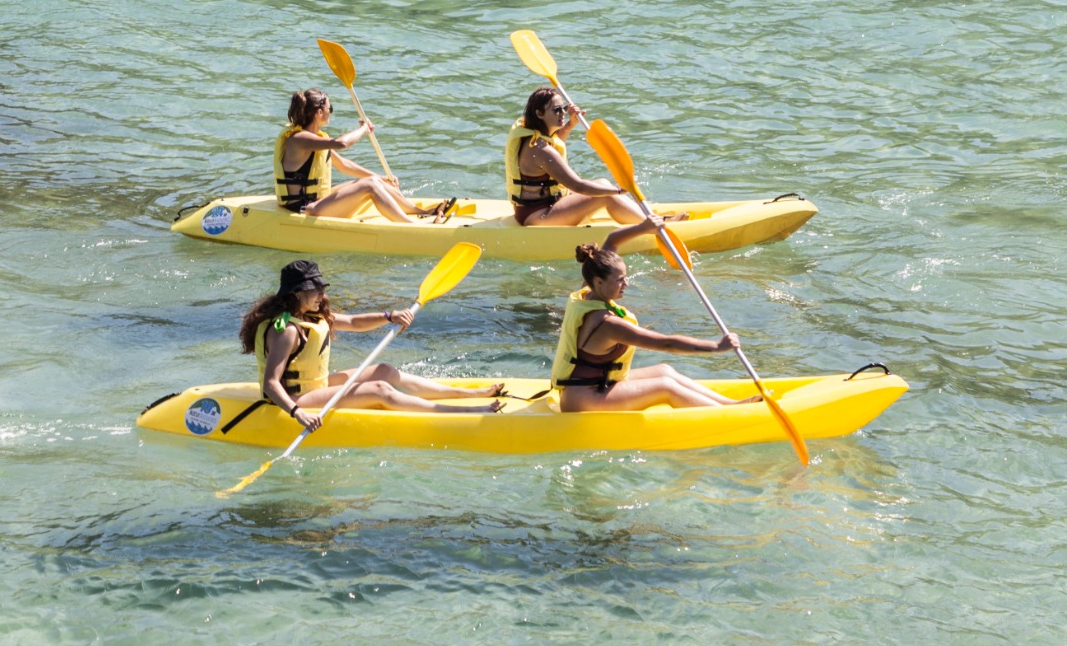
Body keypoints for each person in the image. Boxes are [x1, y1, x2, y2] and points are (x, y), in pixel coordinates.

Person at [242, 260, 505, 431]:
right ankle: (467, 411)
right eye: (317, 290)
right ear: (298, 293)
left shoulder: (310, 315)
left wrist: (389, 316)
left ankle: (472, 394)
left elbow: (354, 322)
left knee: (384, 371)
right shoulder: (287, 330)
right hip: (294, 399)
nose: (323, 295)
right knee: (379, 389)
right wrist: (298, 413)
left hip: (314, 387)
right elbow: (271, 383)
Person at [552, 241, 760, 413]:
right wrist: (716, 347)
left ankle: (730, 406)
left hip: (591, 386)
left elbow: (612, 242)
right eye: (620, 280)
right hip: (583, 399)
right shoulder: (608, 324)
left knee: (665, 370)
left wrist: (646, 226)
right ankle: (727, 416)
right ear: (598, 281)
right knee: (665, 387)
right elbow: (666, 343)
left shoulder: (587, 293)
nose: (626, 284)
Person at [506, 87, 677, 249]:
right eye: (556, 110)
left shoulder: (533, 136)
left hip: (539, 207)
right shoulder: (539, 149)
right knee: (605, 196)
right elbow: (578, 186)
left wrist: (570, 124)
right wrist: (618, 190)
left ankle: (648, 219)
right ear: (539, 113)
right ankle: (652, 226)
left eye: (563, 108)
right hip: (538, 216)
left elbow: (556, 142)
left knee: (602, 183)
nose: (563, 113)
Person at [276, 88, 439, 223]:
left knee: (373, 181)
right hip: (305, 208)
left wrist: (381, 178)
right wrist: (363, 129)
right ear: (319, 113)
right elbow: (341, 143)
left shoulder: (316, 139)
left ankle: (420, 211)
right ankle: (411, 226)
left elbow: (343, 164)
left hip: (318, 201)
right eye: (329, 109)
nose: (330, 112)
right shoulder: (299, 139)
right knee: (369, 186)